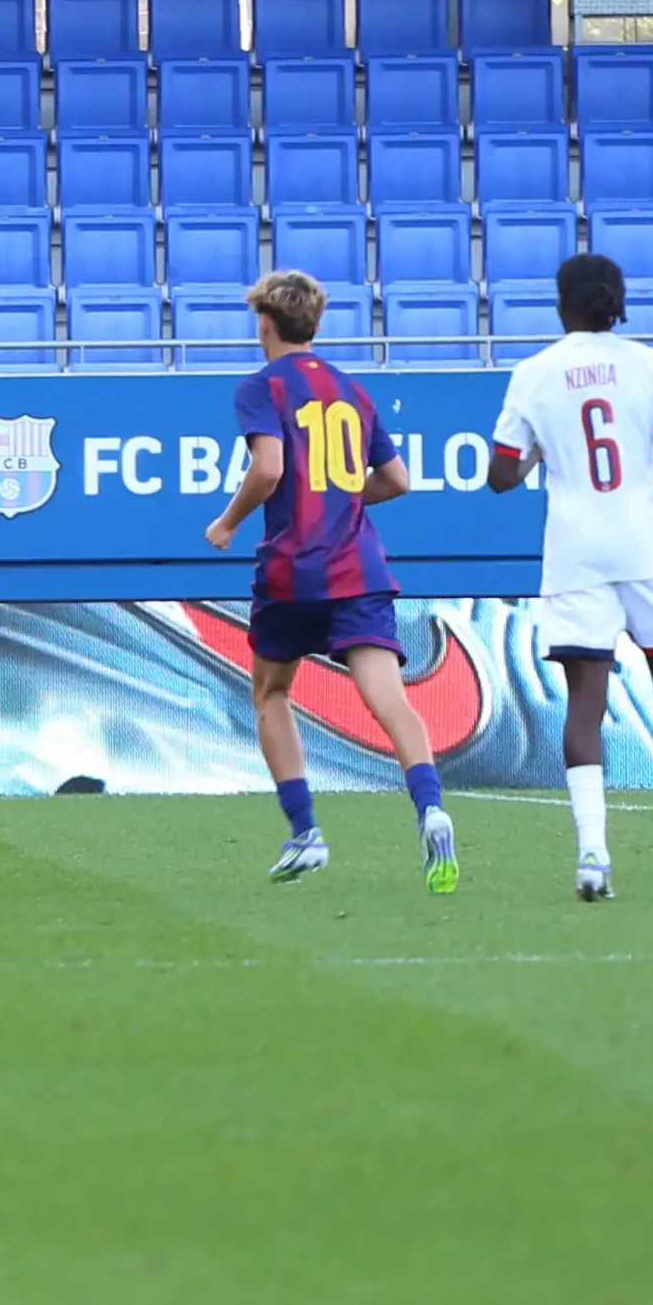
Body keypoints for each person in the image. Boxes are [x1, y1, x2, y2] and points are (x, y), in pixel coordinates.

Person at [487, 254, 653, 901]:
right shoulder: (651, 364)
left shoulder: (535, 373)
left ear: (562, 304)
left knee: (585, 698)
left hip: (576, 549)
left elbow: (500, 476)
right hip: (646, 543)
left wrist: (539, 454)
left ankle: (593, 856)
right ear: (618, 302)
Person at [203, 270, 457, 891]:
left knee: (271, 692)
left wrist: (228, 521)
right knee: (389, 698)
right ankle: (431, 809)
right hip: (359, 568)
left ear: (266, 323)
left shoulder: (261, 387)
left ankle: (306, 832)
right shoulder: (353, 391)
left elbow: (268, 469)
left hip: (294, 567)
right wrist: (344, 496)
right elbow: (397, 480)